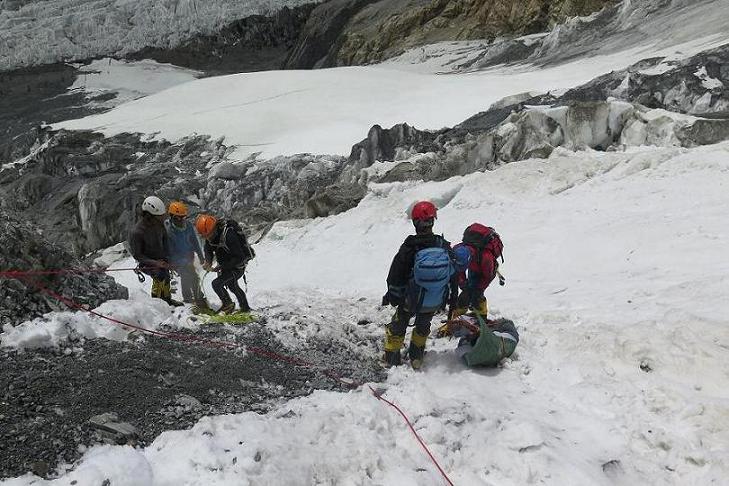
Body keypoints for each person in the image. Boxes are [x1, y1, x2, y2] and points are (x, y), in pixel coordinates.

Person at [381, 201, 458, 369]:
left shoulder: (410, 246)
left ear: (415, 222)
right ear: (433, 221)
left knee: (398, 324)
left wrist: (393, 295)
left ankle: (392, 358)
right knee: (423, 325)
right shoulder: (442, 244)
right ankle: (416, 356)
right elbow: (453, 272)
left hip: (411, 299)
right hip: (434, 299)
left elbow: (396, 274)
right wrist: (452, 298)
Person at [128, 196, 182, 306]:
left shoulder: (159, 225)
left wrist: (169, 259)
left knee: (165, 275)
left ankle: (166, 300)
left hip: (161, 259)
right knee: (160, 275)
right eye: (159, 216)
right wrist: (156, 263)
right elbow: (138, 255)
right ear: (149, 216)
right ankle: (157, 303)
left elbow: (165, 242)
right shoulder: (137, 232)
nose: (163, 218)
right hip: (146, 263)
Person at [195, 213, 253, 314]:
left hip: (237, 266)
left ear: (214, 228)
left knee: (217, 284)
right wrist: (208, 261)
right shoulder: (212, 235)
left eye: (209, 235)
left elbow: (240, 257)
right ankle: (245, 308)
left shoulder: (229, 235)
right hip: (227, 266)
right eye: (205, 236)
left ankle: (228, 305)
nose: (208, 238)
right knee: (233, 286)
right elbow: (208, 248)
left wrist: (221, 267)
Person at [452, 223, 504, 318]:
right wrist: (463, 285)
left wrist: (479, 289)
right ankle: (461, 311)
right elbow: (458, 270)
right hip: (475, 266)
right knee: (467, 292)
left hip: (486, 270)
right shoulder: (457, 251)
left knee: (477, 295)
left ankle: (481, 314)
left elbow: (487, 277)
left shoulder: (486, 258)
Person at [164, 201, 208, 309]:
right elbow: (170, 252)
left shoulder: (187, 226)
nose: (180, 220)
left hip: (189, 257)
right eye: (177, 218)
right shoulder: (169, 231)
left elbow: (194, 242)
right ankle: (190, 299)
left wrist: (201, 256)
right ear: (171, 217)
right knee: (188, 275)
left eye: (182, 217)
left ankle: (196, 298)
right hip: (176, 260)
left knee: (192, 275)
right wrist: (182, 262)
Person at [446, 313, 518, 367]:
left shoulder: (502, 327)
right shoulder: (464, 342)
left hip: (502, 341)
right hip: (503, 343)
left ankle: (478, 332)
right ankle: (477, 332)